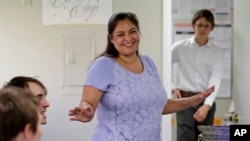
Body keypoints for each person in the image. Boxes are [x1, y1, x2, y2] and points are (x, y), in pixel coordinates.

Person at [68, 11, 215, 141]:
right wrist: (86, 111)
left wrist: (192, 101)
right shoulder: (102, 66)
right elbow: (88, 103)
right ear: (111, 39)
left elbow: (157, 105)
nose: (128, 38)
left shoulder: (148, 62)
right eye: (120, 34)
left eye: (132, 31)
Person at [171, 9, 224, 141]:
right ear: (193, 25)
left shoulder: (217, 51)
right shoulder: (180, 47)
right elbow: (165, 65)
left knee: (205, 138)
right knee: (185, 137)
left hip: (206, 100)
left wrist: (207, 105)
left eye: (206, 25)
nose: (202, 29)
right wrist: (173, 87)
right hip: (184, 100)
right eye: (199, 25)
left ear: (211, 28)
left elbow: (215, 79)